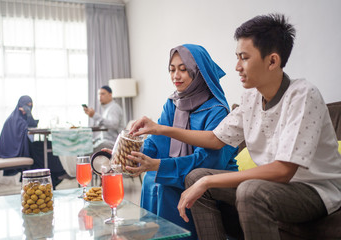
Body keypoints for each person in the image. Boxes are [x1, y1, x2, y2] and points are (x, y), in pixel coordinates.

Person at [129, 14, 341, 240]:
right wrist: (159, 129)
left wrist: (208, 180)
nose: (237, 67)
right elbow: (214, 139)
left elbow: (283, 170)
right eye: (237, 57)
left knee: (249, 191)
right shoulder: (251, 98)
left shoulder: (303, 95)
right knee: (195, 177)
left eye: (244, 58)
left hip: (314, 192)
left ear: (272, 61)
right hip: (270, 185)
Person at [123, 44, 238, 239]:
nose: (176, 76)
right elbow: (156, 143)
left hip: (212, 176)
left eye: (183, 70)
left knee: (164, 182)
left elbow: (207, 162)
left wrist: (158, 165)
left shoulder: (218, 110)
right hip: (185, 171)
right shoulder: (173, 103)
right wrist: (130, 153)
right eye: (172, 69)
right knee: (152, 179)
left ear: (199, 73)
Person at [0, 95, 66, 187]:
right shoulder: (15, 119)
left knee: (46, 145)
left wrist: (28, 113)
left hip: (22, 146)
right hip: (14, 150)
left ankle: (53, 178)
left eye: (30, 106)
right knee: (41, 150)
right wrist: (28, 114)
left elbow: (32, 124)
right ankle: (56, 175)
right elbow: (21, 133)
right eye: (26, 106)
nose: (28, 108)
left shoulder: (22, 117)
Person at [84, 85, 124, 151]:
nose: (100, 96)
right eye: (99, 94)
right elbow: (105, 131)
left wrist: (94, 115)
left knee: (87, 150)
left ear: (110, 95)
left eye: (103, 94)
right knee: (87, 144)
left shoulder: (114, 108)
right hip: (106, 140)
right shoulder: (107, 109)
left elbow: (114, 125)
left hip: (114, 142)